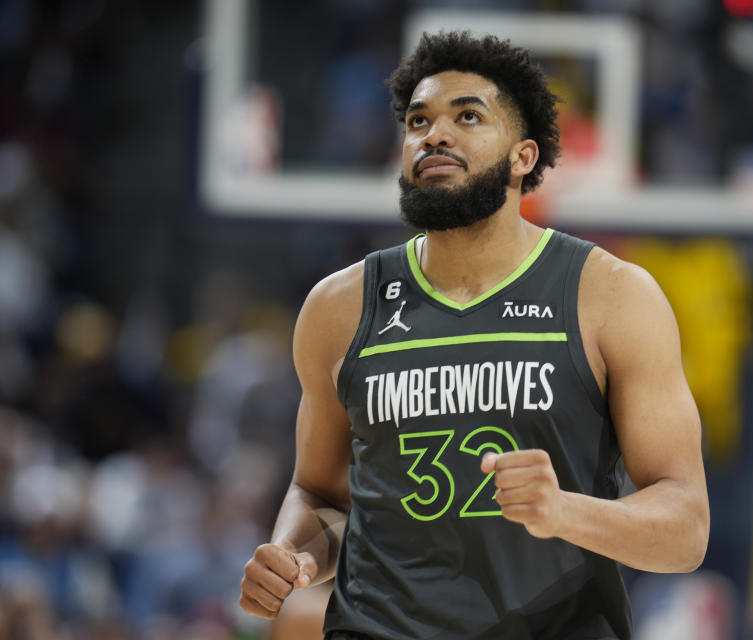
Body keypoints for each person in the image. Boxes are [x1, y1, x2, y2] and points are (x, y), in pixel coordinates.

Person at [239, 31, 709, 639]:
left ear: (524, 157)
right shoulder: (338, 306)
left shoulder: (612, 296)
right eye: (418, 121)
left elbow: (687, 529)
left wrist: (566, 511)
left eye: (468, 116)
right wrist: (294, 557)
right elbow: (320, 494)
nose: (434, 134)